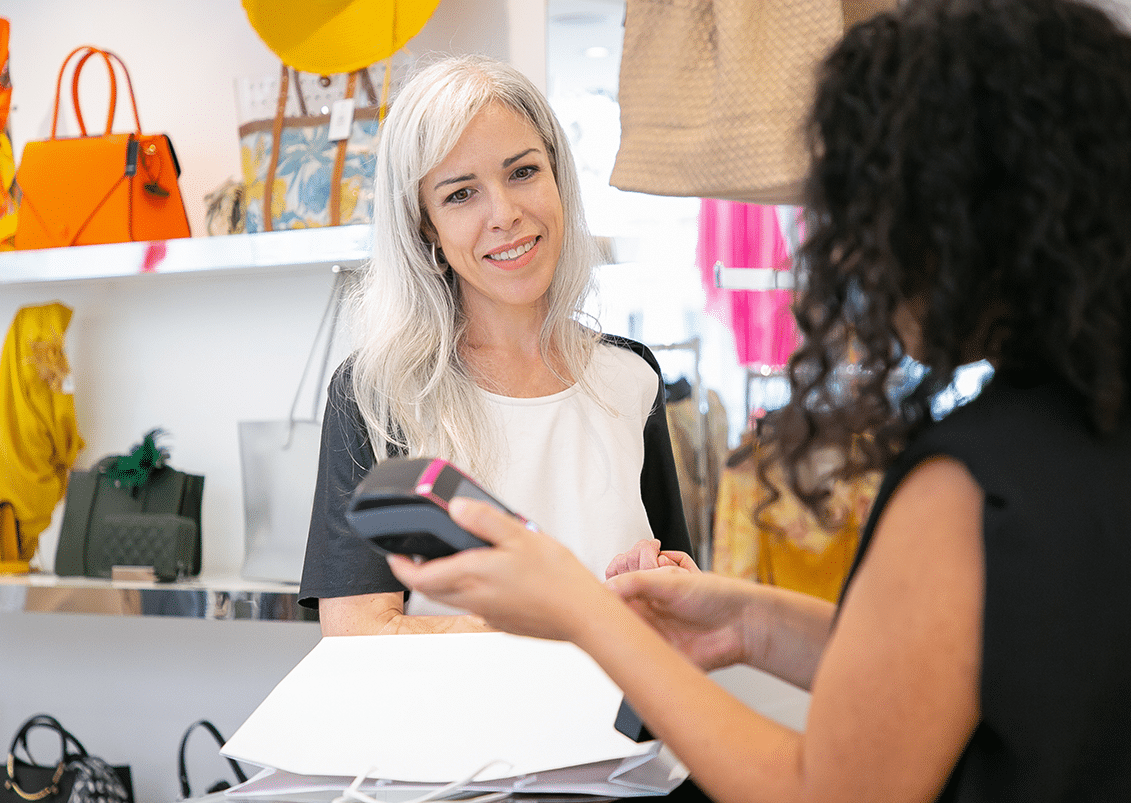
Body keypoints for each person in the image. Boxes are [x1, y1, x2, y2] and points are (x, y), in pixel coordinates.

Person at [388, 1, 1131, 800]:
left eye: (865, 205)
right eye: (460, 192)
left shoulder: (967, 487)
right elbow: (983, 668)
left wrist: (582, 612)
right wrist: (750, 625)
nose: (847, 248)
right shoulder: (1092, 427)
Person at [298, 54, 692, 636]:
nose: (506, 214)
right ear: (425, 225)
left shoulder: (631, 377)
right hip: (458, 727)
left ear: (558, 176)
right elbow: (358, 631)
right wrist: (579, 619)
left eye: (523, 172)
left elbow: (672, 596)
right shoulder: (377, 395)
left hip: (611, 726)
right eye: (460, 195)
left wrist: (668, 589)